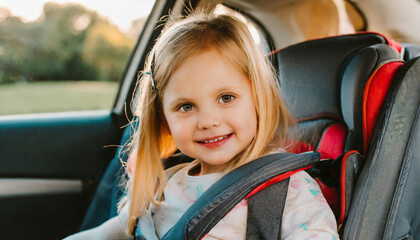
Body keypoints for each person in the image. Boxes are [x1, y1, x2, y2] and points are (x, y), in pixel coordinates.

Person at [65, 11, 339, 239]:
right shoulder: (167, 185)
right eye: (186, 106)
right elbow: (106, 234)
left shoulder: (288, 190)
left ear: (258, 99)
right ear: (163, 119)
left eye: (226, 98)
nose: (208, 121)